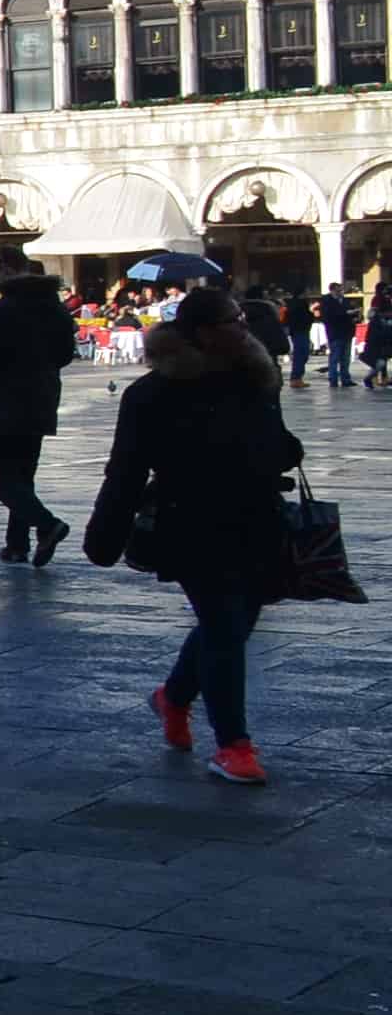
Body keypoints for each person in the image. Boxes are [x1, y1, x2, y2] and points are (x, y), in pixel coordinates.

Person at [83, 283, 301, 787]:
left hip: (255, 518)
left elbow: (278, 440)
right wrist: (105, 535)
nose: (243, 327)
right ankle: (233, 745)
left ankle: (174, 697)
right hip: (192, 524)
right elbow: (126, 470)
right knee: (224, 626)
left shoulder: (253, 376)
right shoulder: (153, 393)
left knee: (234, 624)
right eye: (232, 320)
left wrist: (283, 452)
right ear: (202, 331)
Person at [0, 268, 78, 563]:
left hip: (8, 395)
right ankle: (17, 544)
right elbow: (67, 354)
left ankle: (47, 524)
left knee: (3, 473)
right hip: (43, 396)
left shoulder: (4, 309)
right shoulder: (55, 310)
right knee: (24, 473)